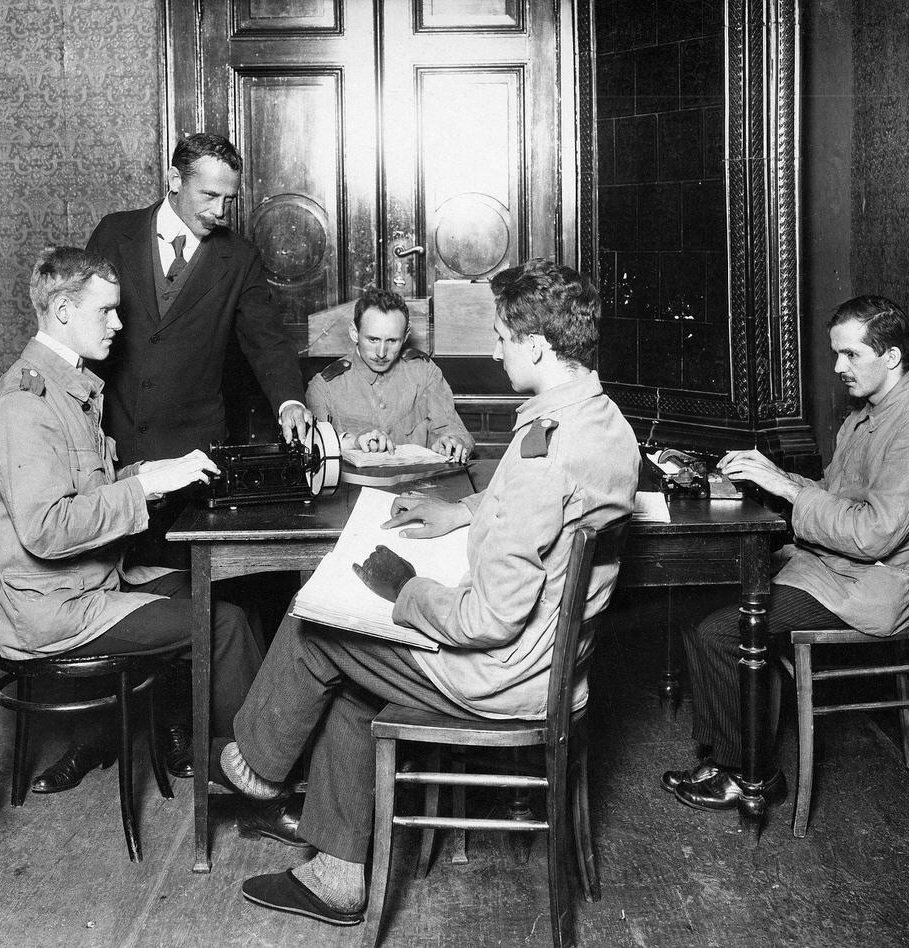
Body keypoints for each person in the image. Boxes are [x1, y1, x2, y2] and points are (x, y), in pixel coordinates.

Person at [216, 259, 639, 926]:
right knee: (352, 676)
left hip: (499, 674)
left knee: (315, 626)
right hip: (554, 665)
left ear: (537, 345)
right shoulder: (601, 421)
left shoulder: (542, 448)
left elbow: (488, 619)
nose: (496, 350)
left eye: (501, 337)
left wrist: (407, 588)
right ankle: (336, 869)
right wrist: (462, 514)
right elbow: (549, 509)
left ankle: (258, 767)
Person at [0, 247, 264, 794]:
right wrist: (142, 487)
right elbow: (47, 529)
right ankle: (252, 779)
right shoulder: (26, 405)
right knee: (222, 624)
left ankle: (244, 753)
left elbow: (87, 489)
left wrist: (156, 471)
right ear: (62, 310)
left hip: (92, 584)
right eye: (106, 311)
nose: (119, 324)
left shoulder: (69, 388)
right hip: (57, 612)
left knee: (227, 591)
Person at [662, 294, 909, 811]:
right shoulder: (867, 415)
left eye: (851, 355)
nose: (839, 367)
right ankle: (728, 755)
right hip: (830, 569)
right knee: (701, 612)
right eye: (836, 355)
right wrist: (774, 478)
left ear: (891, 357)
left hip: (867, 589)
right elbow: (834, 493)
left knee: (720, 630)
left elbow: (873, 535)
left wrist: (788, 488)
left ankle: (750, 775)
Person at [86, 131, 314, 569]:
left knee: (192, 591)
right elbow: (82, 327)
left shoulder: (240, 258)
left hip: (195, 455)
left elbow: (267, 338)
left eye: (228, 200)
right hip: (117, 443)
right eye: (209, 195)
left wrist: (289, 401)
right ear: (174, 179)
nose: (218, 212)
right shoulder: (115, 233)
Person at [306, 285, 474, 461]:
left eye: (392, 341)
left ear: (406, 336)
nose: (381, 352)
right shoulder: (324, 387)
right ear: (354, 333)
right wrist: (353, 442)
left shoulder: (424, 372)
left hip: (418, 484)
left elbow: (451, 427)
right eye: (373, 339)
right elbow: (313, 450)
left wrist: (453, 442)